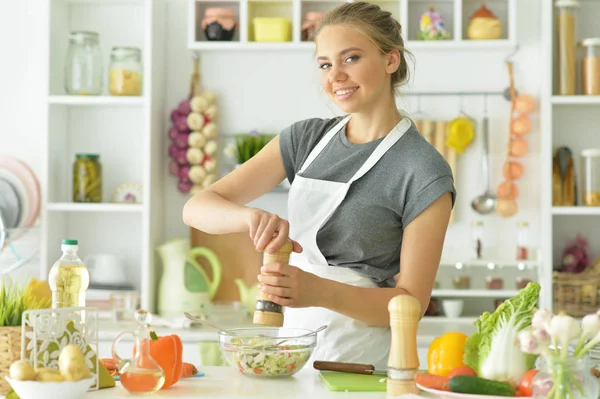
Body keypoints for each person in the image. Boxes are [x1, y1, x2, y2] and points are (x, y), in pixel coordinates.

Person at [183, 1, 455, 369]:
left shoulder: (422, 169)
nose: (335, 76)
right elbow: (197, 207)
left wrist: (317, 291)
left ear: (391, 61)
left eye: (351, 58)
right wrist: (250, 219)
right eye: (325, 64)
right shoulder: (305, 139)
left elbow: (410, 304)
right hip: (290, 347)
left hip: (360, 358)